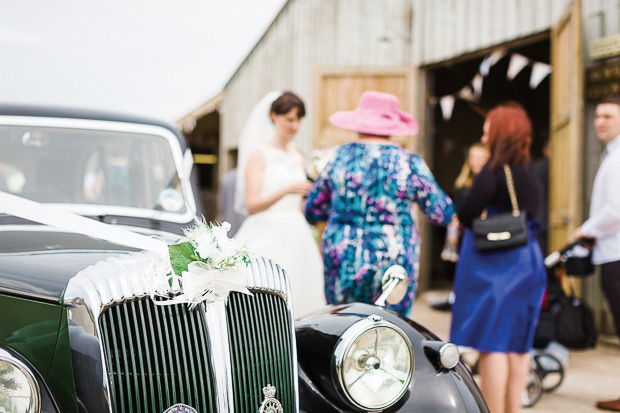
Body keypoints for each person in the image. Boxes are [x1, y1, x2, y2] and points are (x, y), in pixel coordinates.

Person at [304, 90, 454, 317]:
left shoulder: (336, 158)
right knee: (391, 327)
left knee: (342, 324)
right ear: (391, 127)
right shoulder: (409, 162)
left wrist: (344, 213)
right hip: (393, 255)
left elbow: (313, 209)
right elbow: (441, 213)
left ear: (359, 123)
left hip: (343, 251)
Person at [449, 105, 546, 413]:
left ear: (500, 134)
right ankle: (513, 409)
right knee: (518, 345)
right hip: (527, 262)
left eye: (488, 128)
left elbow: (465, 213)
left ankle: (491, 410)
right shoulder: (531, 172)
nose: (483, 134)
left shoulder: (493, 172)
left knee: (492, 344)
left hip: (497, 267)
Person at [233, 91, 325, 317]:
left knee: (303, 292)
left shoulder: (299, 156)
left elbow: (301, 203)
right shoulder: (259, 154)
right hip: (267, 232)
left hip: (297, 233)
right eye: (290, 119)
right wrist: (285, 190)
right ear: (274, 117)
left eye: (299, 119)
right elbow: (252, 205)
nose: (295, 125)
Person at [573, 96, 620, 412]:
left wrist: (585, 230)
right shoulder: (611, 154)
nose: (600, 121)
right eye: (598, 115)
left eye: (609, 116)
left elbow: (616, 209)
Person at [441, 143, 490, 262]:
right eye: (473, 157)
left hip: (486, 234)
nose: (477, 161)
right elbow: (455, 214)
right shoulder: (462, 185)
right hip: (466, 235)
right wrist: (452, 234)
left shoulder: (492, 184)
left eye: (481, 158)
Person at [217, 167, 245, 237]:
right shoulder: (248, 178)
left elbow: (220, 204)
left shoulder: (227, 177)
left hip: (228, 219)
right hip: (243, 221)